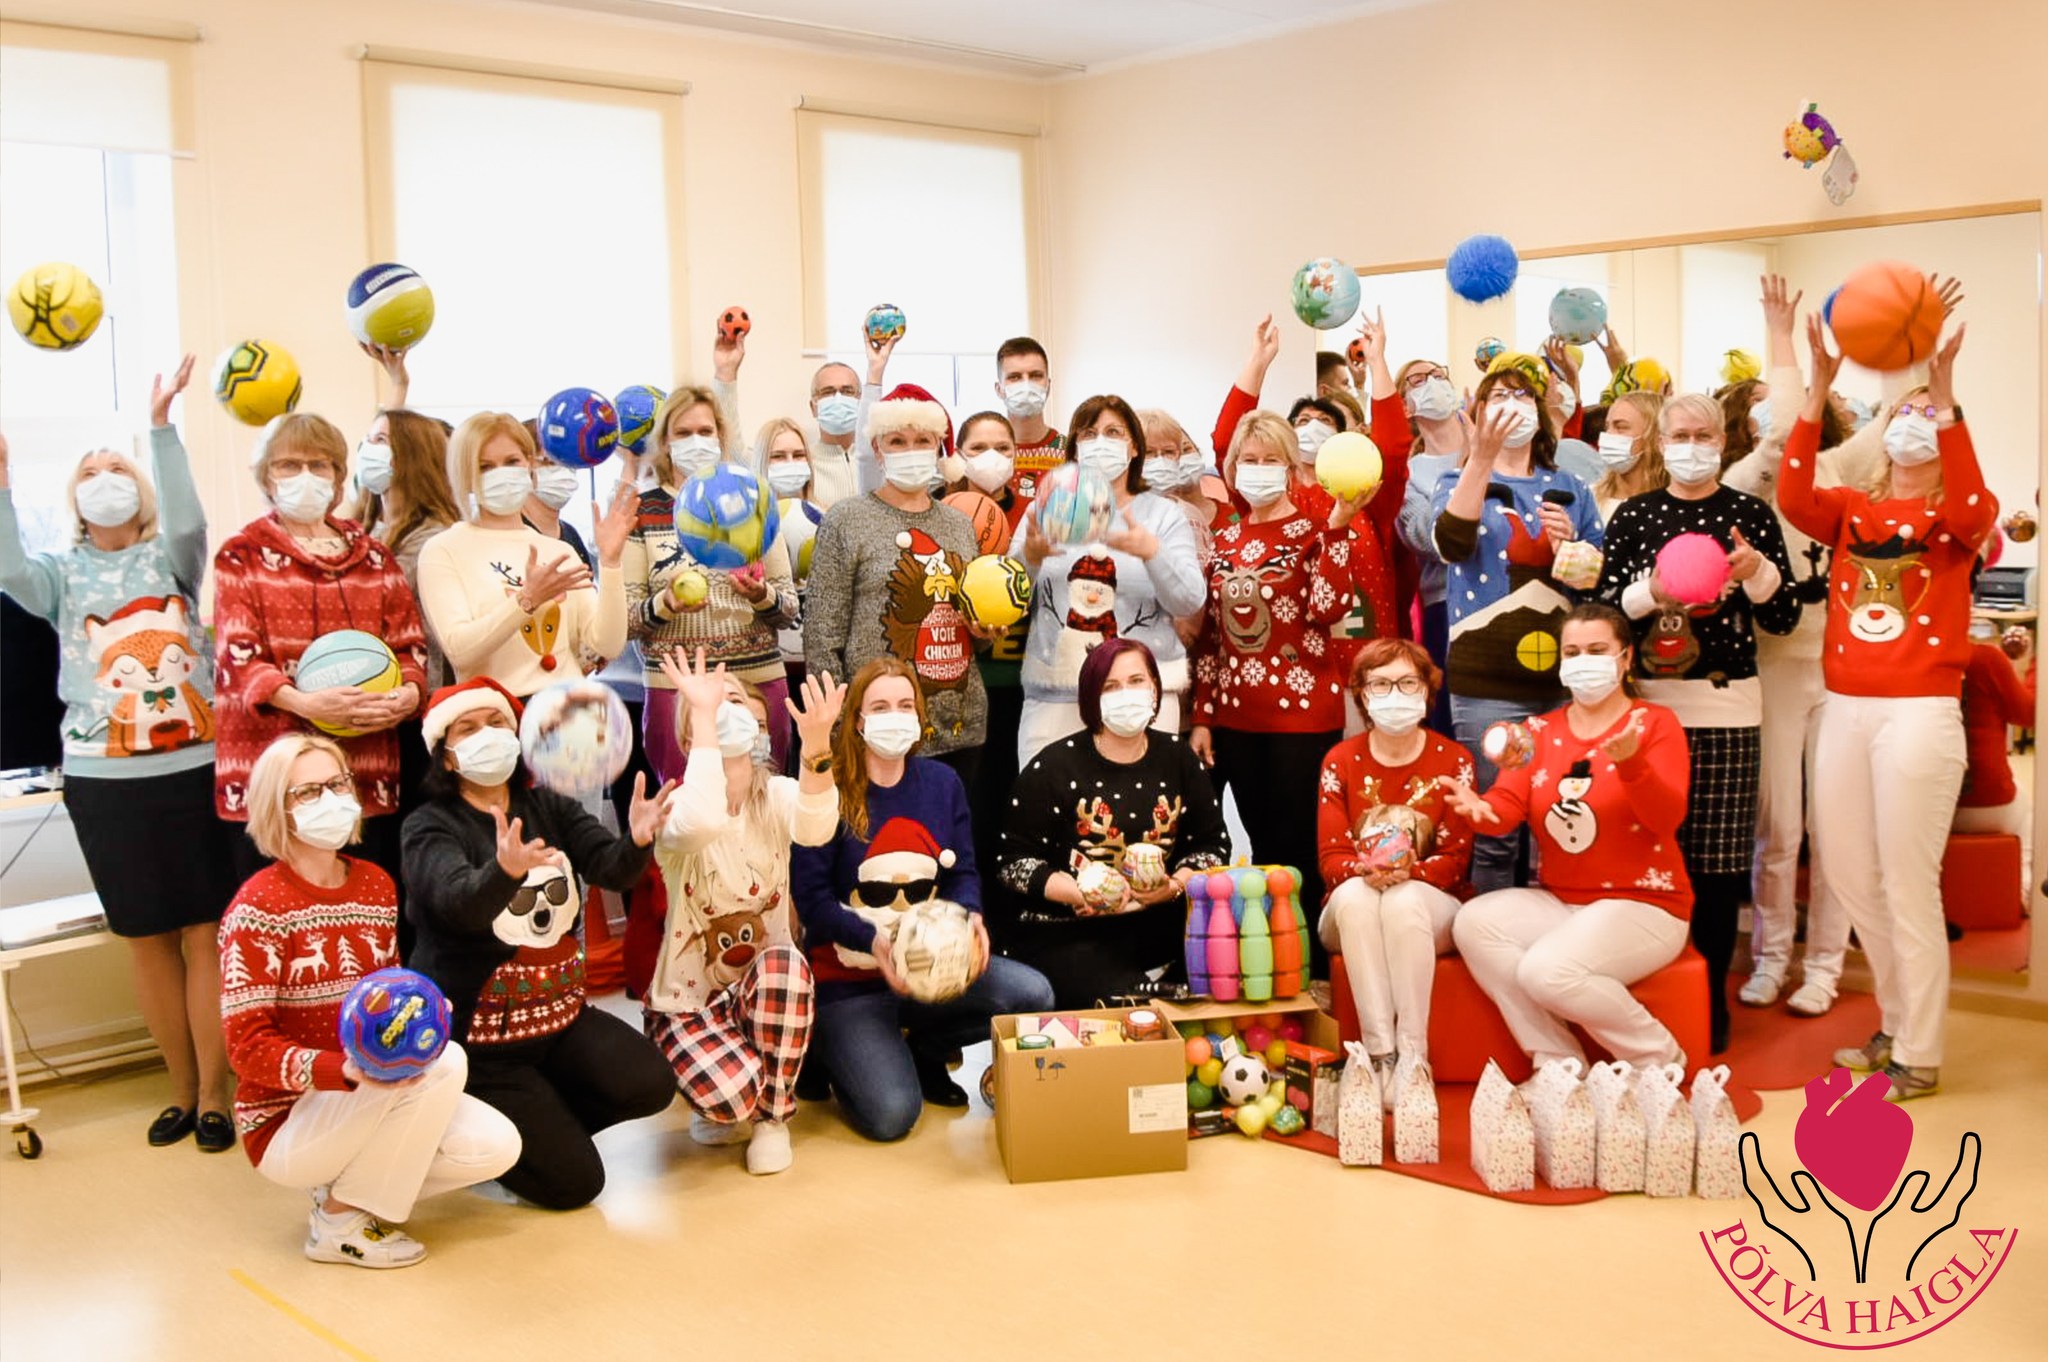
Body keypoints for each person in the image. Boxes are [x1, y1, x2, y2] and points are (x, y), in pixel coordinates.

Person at [0, 360, 240, 1150]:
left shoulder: (171, 557)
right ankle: (176, 1090)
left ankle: (215, 1092)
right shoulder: (59, 576)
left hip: (193, 767)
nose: (105, 481)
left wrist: (162, 427)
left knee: (205, 932)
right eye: (90, 473)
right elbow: (8, 569)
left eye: (117, 470)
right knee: (146, 938)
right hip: (104, 781)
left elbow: (186, 522)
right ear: (72, 499)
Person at [1780, 317, 1994, 1100]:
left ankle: (1922, 1051)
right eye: (1901, 413)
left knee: (1908, 883)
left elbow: (1974, 504)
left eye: (1924, 417)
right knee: (1849, 874)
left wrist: (1947, 400)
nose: (1911, 426)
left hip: (1919, 714)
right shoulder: (1849, 512)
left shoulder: (1956, 521)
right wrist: (1818, 389)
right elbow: (1793, 491)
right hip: (1845, 708)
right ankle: (1898, 1023)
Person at [218, 733, 519, 1267]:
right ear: (275, 809)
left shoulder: (375, 884)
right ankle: (337, 1224)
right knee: (447, 1061)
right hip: (286, 1120)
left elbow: (385, 990)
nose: (330, 799)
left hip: (364, 1093)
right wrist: (347, 1072)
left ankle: (347, 1198)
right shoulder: (257, 909)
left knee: (497, 1146)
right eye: (307, 793)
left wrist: (423, 1009)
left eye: (336, 784)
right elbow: (246, 1048)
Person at [401, 678, 678, 1208]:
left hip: (557, 1020)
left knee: (649, 1083)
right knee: (577, 1186)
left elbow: (609, 870)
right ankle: (477, 1136)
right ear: (448, 757)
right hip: (481, 1049)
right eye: (468, 728)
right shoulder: (428, 825)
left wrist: (638, 839)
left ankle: (535, 1130)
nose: (488, 736)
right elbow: (456, 903)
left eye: (498, 724)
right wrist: (503, 870)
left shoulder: (546, 804)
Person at [1594, 393, 1799, 1053]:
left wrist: (1758, 572)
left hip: (1728, 709)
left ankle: (1707, 999)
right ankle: (1647, 991)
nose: (1691, 444)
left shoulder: (1749, 516)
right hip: (1647, 710)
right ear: (1661, 441)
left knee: (1715, 867)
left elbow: (1785, 617)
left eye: (1703, 434)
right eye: (1679, 434)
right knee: (1647, 857)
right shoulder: (1634, 515)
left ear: (1722, 441)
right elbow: (1603, 615)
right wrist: (1651, 590)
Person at [790, 659, 1053, 1141]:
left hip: (933, 970)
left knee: (1032, 994)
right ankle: (829, 1050)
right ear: (858, 720)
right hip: (851, 984)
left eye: (905, 705)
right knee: (892, 1117)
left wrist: (971, 918)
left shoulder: (941, 784)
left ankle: (926, 1050)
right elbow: (812, 902)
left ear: (919, 715)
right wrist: (877, 944)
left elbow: (964, 873)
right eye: (881, 706)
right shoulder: (828, 789)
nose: (896, 716)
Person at [1720, 275, 1886, 1016]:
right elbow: (1782, 434)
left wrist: (1895, 346)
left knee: (1840, 828)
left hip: (1844, 673)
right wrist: (1783, 340)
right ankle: (1771, 956)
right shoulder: (1745, 481)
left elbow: (1889, 427)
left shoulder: (1841, 472)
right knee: (1779, 826)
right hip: (1777, 673)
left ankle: (1824, 966)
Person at [1442, 604, 1693, 1069]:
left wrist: (1632, 762)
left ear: (1625, 658)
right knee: (1474, 922)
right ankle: (1557, 1063)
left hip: (1646, 904)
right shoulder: (1538, 731)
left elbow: (1666, 818)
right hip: (1563, 902)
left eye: (1597, 650)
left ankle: (1658, 1060)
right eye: (1573, 651)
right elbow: (1506, 807)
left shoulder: (1654, 724)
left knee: (1546, 972)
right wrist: (1479, 810)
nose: (1584, 661)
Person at [633, 650, 844, 1175]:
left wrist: (817, 744)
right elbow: (702, 819)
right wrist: (704, 719)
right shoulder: (675, 807)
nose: (724, 709)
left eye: (740, 708)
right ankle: (733, 1089)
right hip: (687, 1001)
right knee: (729, 1096)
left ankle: (772, 1118)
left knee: (788, 968)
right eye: (711, 707)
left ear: (761, 735)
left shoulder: (775, 795)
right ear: (689, 740)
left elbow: (817, 827)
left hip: (758, 987)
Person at [213, 412, 429, 885]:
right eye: (288, 465)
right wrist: (306, 703)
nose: (304, 476)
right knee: (281, 923)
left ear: (337, 479)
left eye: (319, 464)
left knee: (369, 913)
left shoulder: (374, 557)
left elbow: (411, 647)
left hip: (365, 770)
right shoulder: (241, 554)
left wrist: (407, 696)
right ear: (266, 477)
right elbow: (239, 656)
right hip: (275, 778)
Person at [1430, 367, 1604, 892]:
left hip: (1560, 681)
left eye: (1522, 394)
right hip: (1485, 683)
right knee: (1494, 825)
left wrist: (1567, 548)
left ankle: (1556, 938)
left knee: (1559, 821)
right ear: (1478, 412)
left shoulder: (1571, 487)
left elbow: (1593, 581)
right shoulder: (1452, 482)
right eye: (1498, 395)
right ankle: (1494, 938)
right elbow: (1449, 547)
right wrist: (1479, 458)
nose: (1511, 403)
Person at [1190, 408, 1359, 946]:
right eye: (1248, 460)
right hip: (1237, 723)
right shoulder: (1227, 541)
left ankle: (1307, 967)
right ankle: (1270, 957)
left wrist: (1336, 531)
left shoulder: (1314, 532)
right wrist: (1203, 716)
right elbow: (1214, 638)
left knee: (1298, 851)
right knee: (1261, 849)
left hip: (1303, 722)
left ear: (1289, 468)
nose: (1257, 469)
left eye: (1270, 460)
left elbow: (1332, 608)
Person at [996, 640, 1229, 1006]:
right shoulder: (1052, 768)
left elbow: (1212, 846)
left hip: (1157, 921)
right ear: (1092, 697)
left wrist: (1172, 886)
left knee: (1223, 947)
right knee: (1110, 989)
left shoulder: (1179, 758)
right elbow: (1013, 865)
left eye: (1137, 680)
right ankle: (1139, 995)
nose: (1127, 694)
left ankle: (1155, 993)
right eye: (1111, 686)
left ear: (1155, 688)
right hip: (1069, 931)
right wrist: (1077, 892)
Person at [802, 389, 992, 790]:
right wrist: (840, 725)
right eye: (898, 441)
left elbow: (974, 626)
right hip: (876, 729)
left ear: (939, 445)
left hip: (957, 723)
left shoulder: (959, 525)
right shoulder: (847, 521)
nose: (912, 450)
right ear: (878, 447)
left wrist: (984, 633)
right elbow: (822, 634)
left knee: (949, 844)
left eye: (923, 440)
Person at [1316, 640, 1475, 1096]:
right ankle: (1376, 1053)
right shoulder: (1339, 761)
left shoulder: (1455, 761)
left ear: (1427, 690)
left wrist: (1410, 873)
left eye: (1408, 682)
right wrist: (1367, 872)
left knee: (1402, 901)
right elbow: (1331, 860)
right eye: (1381, 683)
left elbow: (1455, 861)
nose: (1395, 694)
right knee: (1357, 898)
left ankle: (1413, 1057)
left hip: (1430, 904)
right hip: (1352, 904)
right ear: (1362, 694)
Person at [1012, 395, 1206, 765]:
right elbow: (1009, 597)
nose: (1101, 441)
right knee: (1046, 814)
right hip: (1056, 692)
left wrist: (1152, 552)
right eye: (1089, 433)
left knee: (1143, 815)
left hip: (1141, 696)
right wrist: (1030, 558)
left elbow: (1190, 601)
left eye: (1113, 432)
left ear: (1134, 446)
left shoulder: (1163, 515)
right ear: (1074, 448)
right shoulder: (1045, 509)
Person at [622, 386, 799, 781]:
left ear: (721, 435)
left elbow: (790, 610)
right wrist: (666, 603)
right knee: (686, 808)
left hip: (758, 682)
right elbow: (627, 622)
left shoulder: (755, 499)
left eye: (705, 430)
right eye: (683, 433)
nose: (696, 441)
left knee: (763, 803)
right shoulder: (643, 510)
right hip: (676, 688)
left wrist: (761, 595)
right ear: (664, 441)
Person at [413, 413, 634, 698]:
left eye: (512, 462)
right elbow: (459, 650)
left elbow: (608, 644)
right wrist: (526, 600)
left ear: (529, 465)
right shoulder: (443, 549)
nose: (501, 474)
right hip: (494, 719)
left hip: (567, 712)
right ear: (465, 475)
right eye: (485, 467)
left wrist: (611, 563)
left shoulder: (559, 550)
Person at [357, 407, 463, 692]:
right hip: (370, 679)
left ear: (410, 454)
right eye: (368, 440)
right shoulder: (367, 526)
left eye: (380, 441)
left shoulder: (433, 536)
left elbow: (372, 595)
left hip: (419, 686)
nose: (368, 450)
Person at [1954, 632, 2035, 903]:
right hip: (1989, 797)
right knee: (2028, 810)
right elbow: (2029, 713)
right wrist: (2034, 661)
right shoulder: (1986, 658)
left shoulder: (1915, 655)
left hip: (1929, 804)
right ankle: (2021, 889)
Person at [754, 416, 829, 689]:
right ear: (763, 462)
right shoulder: (747, 526)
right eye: (778, 456)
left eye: (798, 455)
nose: (790, 463)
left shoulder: (827, 517)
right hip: (769, 668)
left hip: (818, 668)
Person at [993, 337, 1067, 505]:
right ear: (999, 389)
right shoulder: (983, 455)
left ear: (1048, 385)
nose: (1026, 385)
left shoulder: (1071, 453)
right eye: (1015, 377)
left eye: (1035, 376)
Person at [1589, 391, 1667, 523]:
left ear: (1653, 436)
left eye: (1621, 427)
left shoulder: (1675, 503)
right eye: (1607, 427)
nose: (1609, 435)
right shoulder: (1589, 498)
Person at [806, 361, 864, 508]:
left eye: (847, 391)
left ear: (861, 402)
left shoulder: (877, 460)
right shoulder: (804, 462)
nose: (838, 399)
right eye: (827, 392)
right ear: (813, 407)